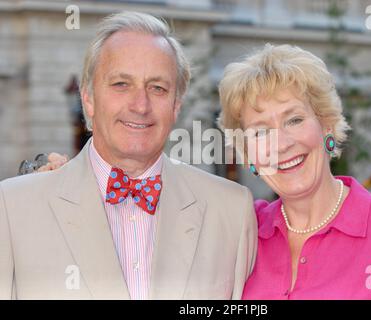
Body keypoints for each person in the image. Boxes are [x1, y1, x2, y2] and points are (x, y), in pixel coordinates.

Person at [0, 11, 257, 300]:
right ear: (88, 98)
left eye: (157, 88)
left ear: (176, 106)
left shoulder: (232, 211)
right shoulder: (11, 208)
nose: (140, 105)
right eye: (121, 84)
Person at [217, 44, 371, 299]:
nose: (281, 144)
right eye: (260, 132)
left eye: (294, 120)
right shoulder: (241, 231)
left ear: (326, 126)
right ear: (249, 154)